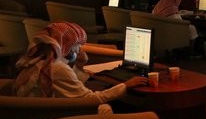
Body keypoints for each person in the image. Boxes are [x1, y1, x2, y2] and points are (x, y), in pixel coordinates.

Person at [13, 22, 148, 103]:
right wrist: (125, 85)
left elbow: (71, 87)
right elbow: (90, 99)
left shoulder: (36, 61)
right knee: (105, 107)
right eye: (77, 45)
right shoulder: (57, 68)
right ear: (65, 45)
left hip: (38, 112)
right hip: (55, 116)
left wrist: (78, 66)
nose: (79, 50)